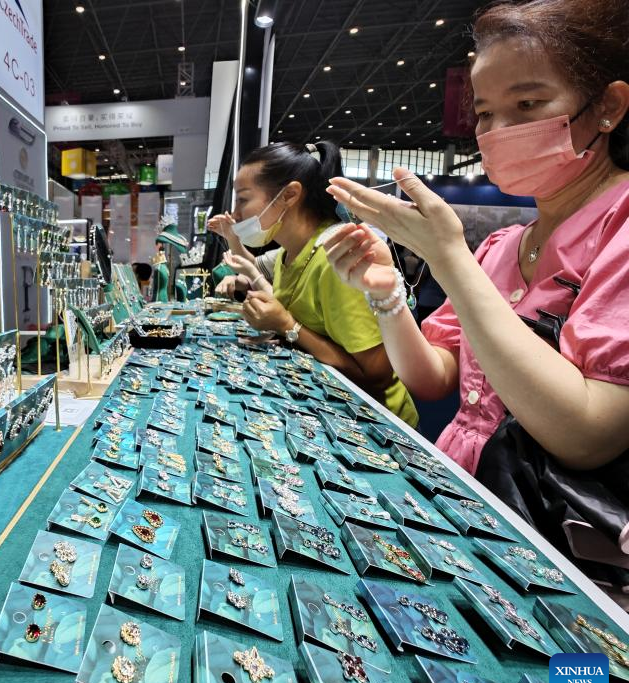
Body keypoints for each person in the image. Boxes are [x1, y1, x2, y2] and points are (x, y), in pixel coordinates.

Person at [322, 0, 629, 481]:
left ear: (608, 106)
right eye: (485, 112)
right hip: (464, 487)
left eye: (528, 104)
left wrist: (448, 257)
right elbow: (434, 376)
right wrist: (387, 294)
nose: (498, 131)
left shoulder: (619, 227)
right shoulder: (501, 246)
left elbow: (586, 435)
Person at [211, 141, 418, 427]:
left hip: (376, 425)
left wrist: (287, 325)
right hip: (326, 409)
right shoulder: (288, 254)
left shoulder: (337, 260)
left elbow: (376, 376)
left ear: (289, 195)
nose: (235, 214)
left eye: (243, 199)